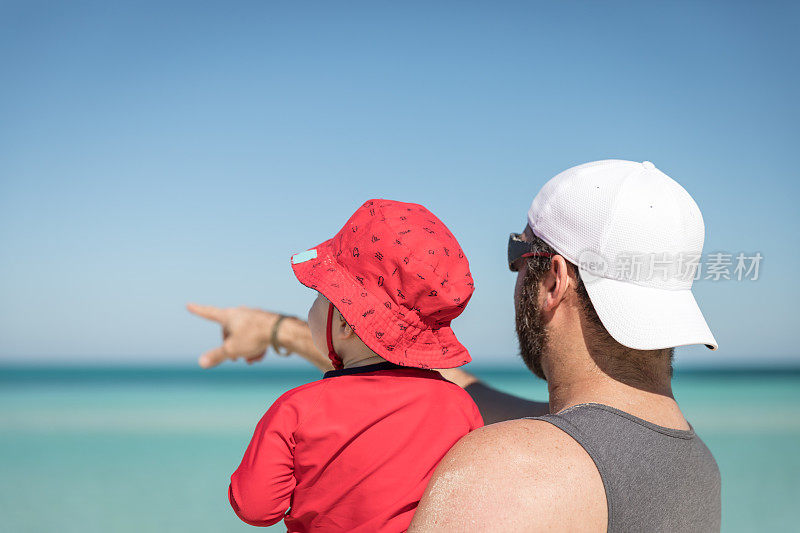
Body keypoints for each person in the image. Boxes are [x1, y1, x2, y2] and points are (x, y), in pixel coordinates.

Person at [189, 160, 721, 532]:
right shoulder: (695, 465)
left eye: (519, 252)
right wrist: (277, 329)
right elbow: (417, 389)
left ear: (554, 278)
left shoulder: (506, 471)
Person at [224, 199, 483, 532]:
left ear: (346, 322)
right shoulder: (460, 406)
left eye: (319, 295)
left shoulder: (297, 409)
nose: (313, 306)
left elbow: (255, 508)